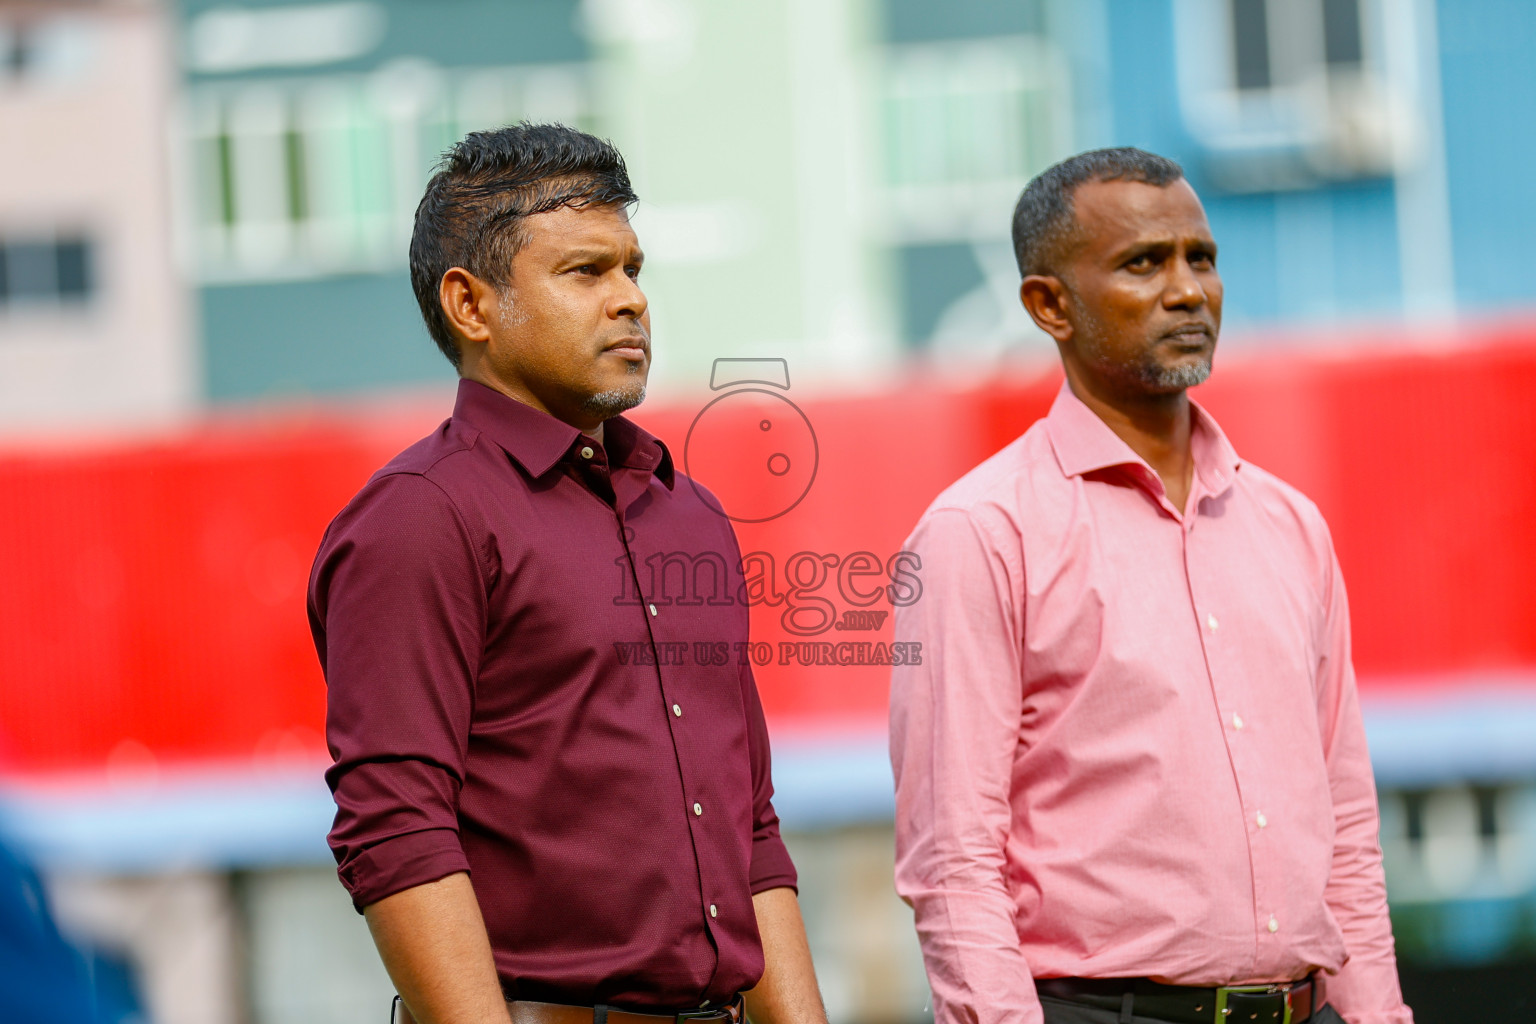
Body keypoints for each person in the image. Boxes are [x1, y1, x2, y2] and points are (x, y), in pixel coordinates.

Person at [308, 123, 827, 1024]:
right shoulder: (421, 518)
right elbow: (397, 828)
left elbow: (750, 827)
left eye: (633, 268)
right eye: (585, 272)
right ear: (471, 305)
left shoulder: (690, 515)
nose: (631, 300)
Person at [889, 148, 1413, 1024]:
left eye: (1200, 258)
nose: (1188, 291)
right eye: (1144, 263)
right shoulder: (980, 534)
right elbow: (952, 863)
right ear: (1050, 305)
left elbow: (1348, 831)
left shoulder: (1290, 525)